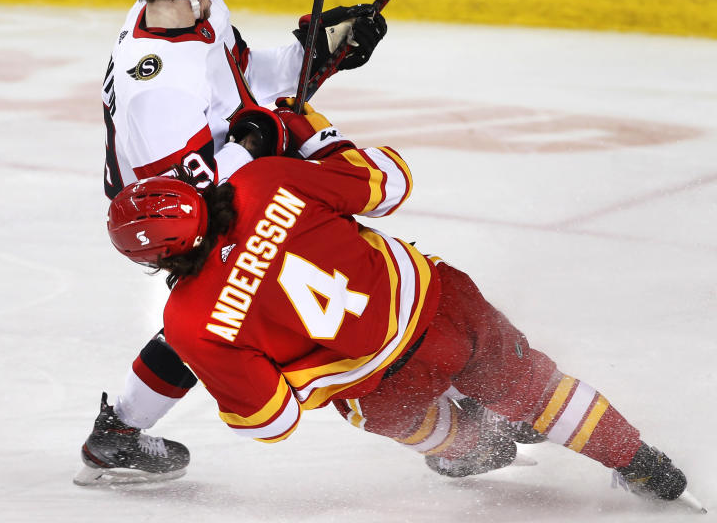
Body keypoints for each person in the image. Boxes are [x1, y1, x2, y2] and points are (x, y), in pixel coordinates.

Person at [102, 99, 697, 506]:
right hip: (444, 311)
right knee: (536, 388)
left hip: (379, 391)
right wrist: (311, 134)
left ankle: (470, 447)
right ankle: (643, 464)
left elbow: (272, 423)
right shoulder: (263, 183)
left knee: (427, 428)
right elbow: (392, 181)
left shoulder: (187, 322)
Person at [75, 0, 388, 485]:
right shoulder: (158, 85)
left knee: (223, 313)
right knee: (265, 304)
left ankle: (116, 433)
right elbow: (189, 201)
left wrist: (317, 52)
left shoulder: (198, 12)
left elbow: (250, 79)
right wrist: (257, 138)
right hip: (173, 217)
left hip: (219, 179)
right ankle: (430, 407)